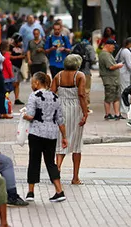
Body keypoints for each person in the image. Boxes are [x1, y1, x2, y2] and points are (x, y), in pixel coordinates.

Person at [23, 72, 68, 203]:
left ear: (37, 83)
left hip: (36, 133)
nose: (32, 85)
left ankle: (31, 192)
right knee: (50, 162)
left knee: (34, 161)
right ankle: (59, 191)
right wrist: (64, 137)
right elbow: (60, 119)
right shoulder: (55, 97)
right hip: (51, 134)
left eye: (32, 82)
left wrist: (24, 115)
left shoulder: (34, 96)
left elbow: (31, 115)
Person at [51, 54, 88, 185]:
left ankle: (57, 170)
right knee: (76, 144)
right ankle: (75, 177)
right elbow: (81, 94)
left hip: (60, 108)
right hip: (75, 109)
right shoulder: (79, 75)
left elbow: (52, 92)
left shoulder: (58, 75)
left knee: (61, 141)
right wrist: (85, 112)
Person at [99, 39, 124, 120]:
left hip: (114, 80)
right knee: (109, 97)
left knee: (116, 97)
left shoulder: (108, 54)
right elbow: (110, 66)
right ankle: (107, 114)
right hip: (109, 80)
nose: (114, 48)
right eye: (113, 47)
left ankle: (117, 114)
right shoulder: (105, 55)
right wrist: (119, 65)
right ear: (108, 45)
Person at [71, 32, 98, 108]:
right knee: (86, 89)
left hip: (76, 71)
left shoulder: (76, 46)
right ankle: (86, 106)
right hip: (86, 71)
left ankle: (77, 105)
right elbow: (93, 59)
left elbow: (70, 55)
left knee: (77, 89)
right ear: (90, 38)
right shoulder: (89, 47)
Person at [116, 37, 131, 108]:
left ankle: (124, 108)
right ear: (130, 43)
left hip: (123, 73)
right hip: (125, 73)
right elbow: (129, 65)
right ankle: (124, 108)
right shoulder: (126, 51)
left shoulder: (122, 50)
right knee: (124, 90)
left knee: (123, 89)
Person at [9, 34, 26, 105]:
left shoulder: (20, 48)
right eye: (19, 41)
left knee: (17, 83)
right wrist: (18, 57)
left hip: (19, 67)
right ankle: (6, 95)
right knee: (13, 83)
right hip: (13, 66)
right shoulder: (10, 47)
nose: (20, 43)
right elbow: (9, 56)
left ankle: (17, 98)